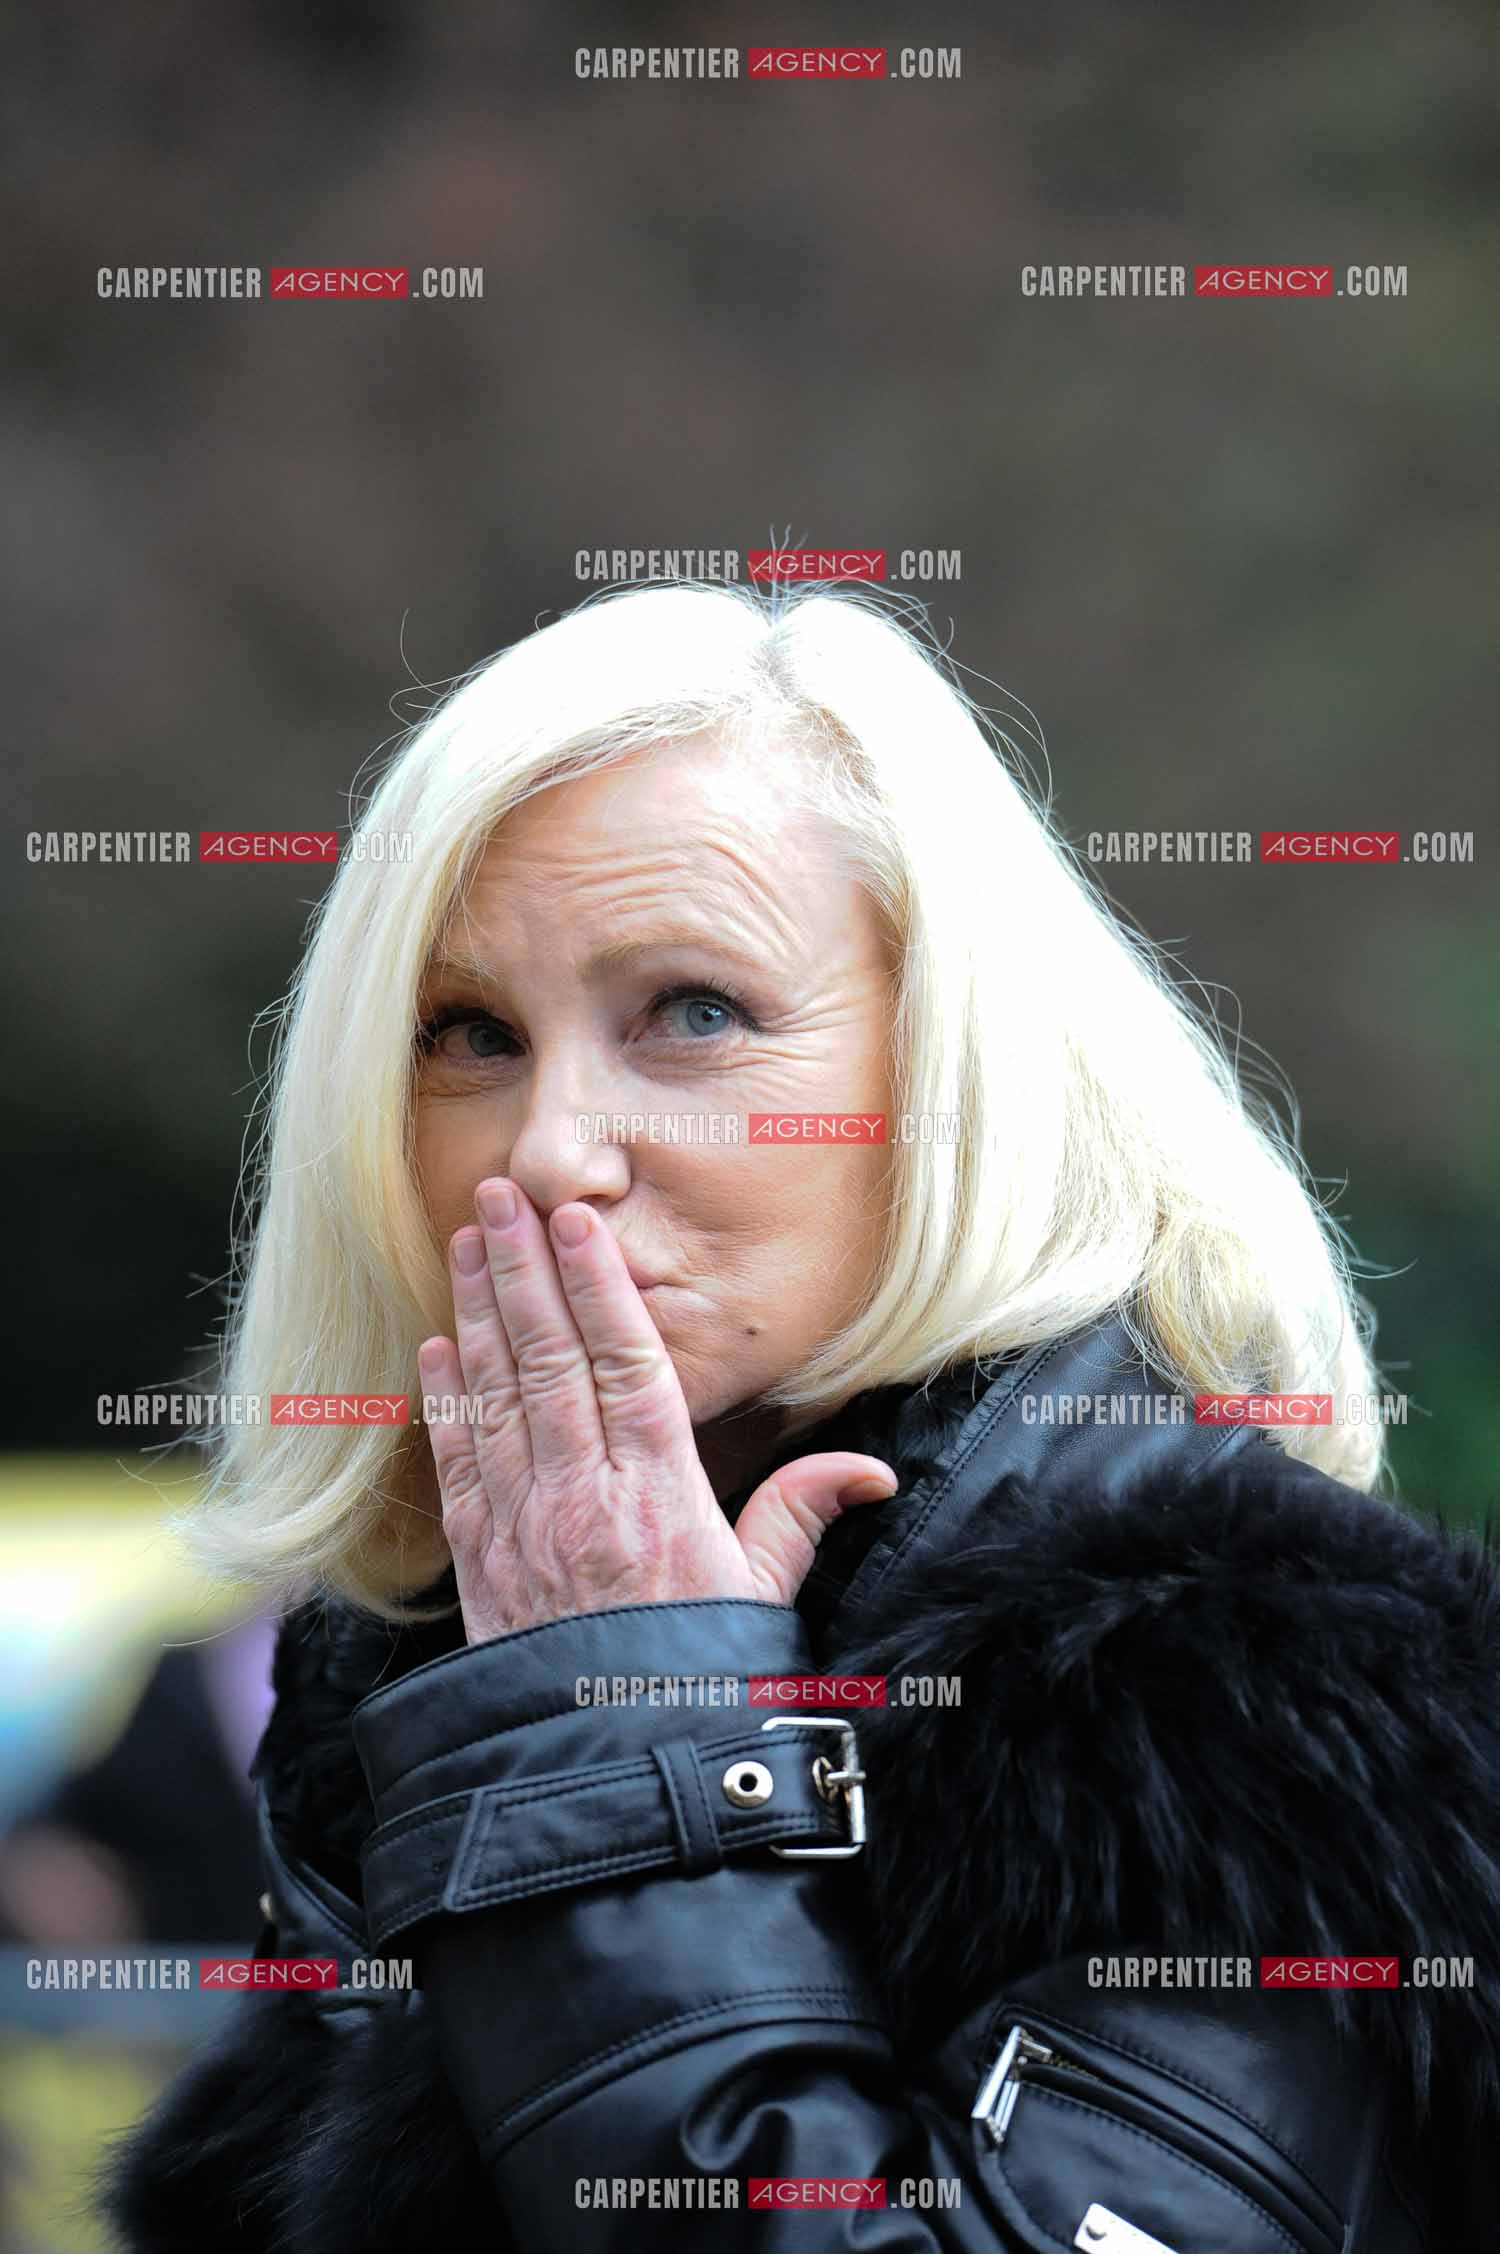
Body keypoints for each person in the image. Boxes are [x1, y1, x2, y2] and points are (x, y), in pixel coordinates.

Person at [96, 585, 1500, 2250]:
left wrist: (622, 1749)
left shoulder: (1240, 1678)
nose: (546, 1147)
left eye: (692, 1011)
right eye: (469, 1033)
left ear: (955, 1073)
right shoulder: (415, 1673)